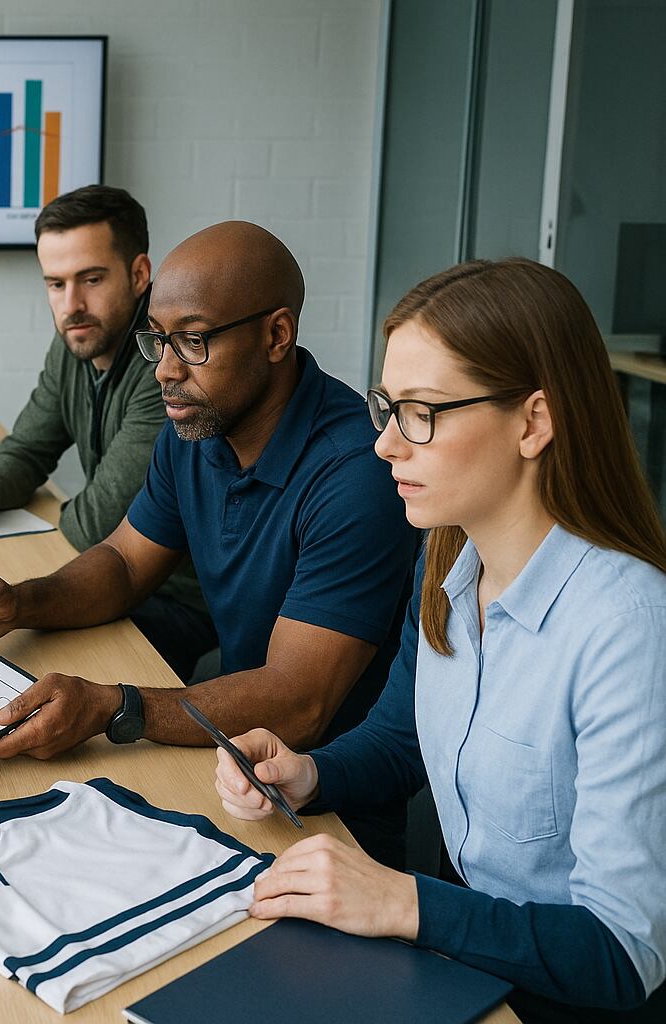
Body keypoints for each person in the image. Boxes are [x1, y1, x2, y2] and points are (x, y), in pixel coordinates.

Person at [214, 258, 666, 1022]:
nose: (386, 444)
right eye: (386, 407)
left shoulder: (629, 629)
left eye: (422, 413)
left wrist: (404, 901)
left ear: (533, 422)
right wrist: (309, 775)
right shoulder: (450, 552)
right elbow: (401, 736)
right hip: (464, 960)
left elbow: (622, 955)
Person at [0, 221, 419, 860]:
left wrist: (115, 707)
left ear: (277, 335)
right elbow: (124, 564)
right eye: (157, 341)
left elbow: (300, 703)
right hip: (232, 766)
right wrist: (18, 603)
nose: (164, 370)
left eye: (192, 341)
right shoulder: (198, 427)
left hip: (326, 813)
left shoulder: (356, 472)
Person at [0, 185, 210, 680]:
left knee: (22, 670)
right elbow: (31, 443)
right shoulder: (78, 340)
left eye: (91, 279)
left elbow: (96, 522)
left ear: (140, 275)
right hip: (110, 571)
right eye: (55, 284)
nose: (71, 304)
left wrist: (60, 518)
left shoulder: (165, 361)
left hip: (173, 596)